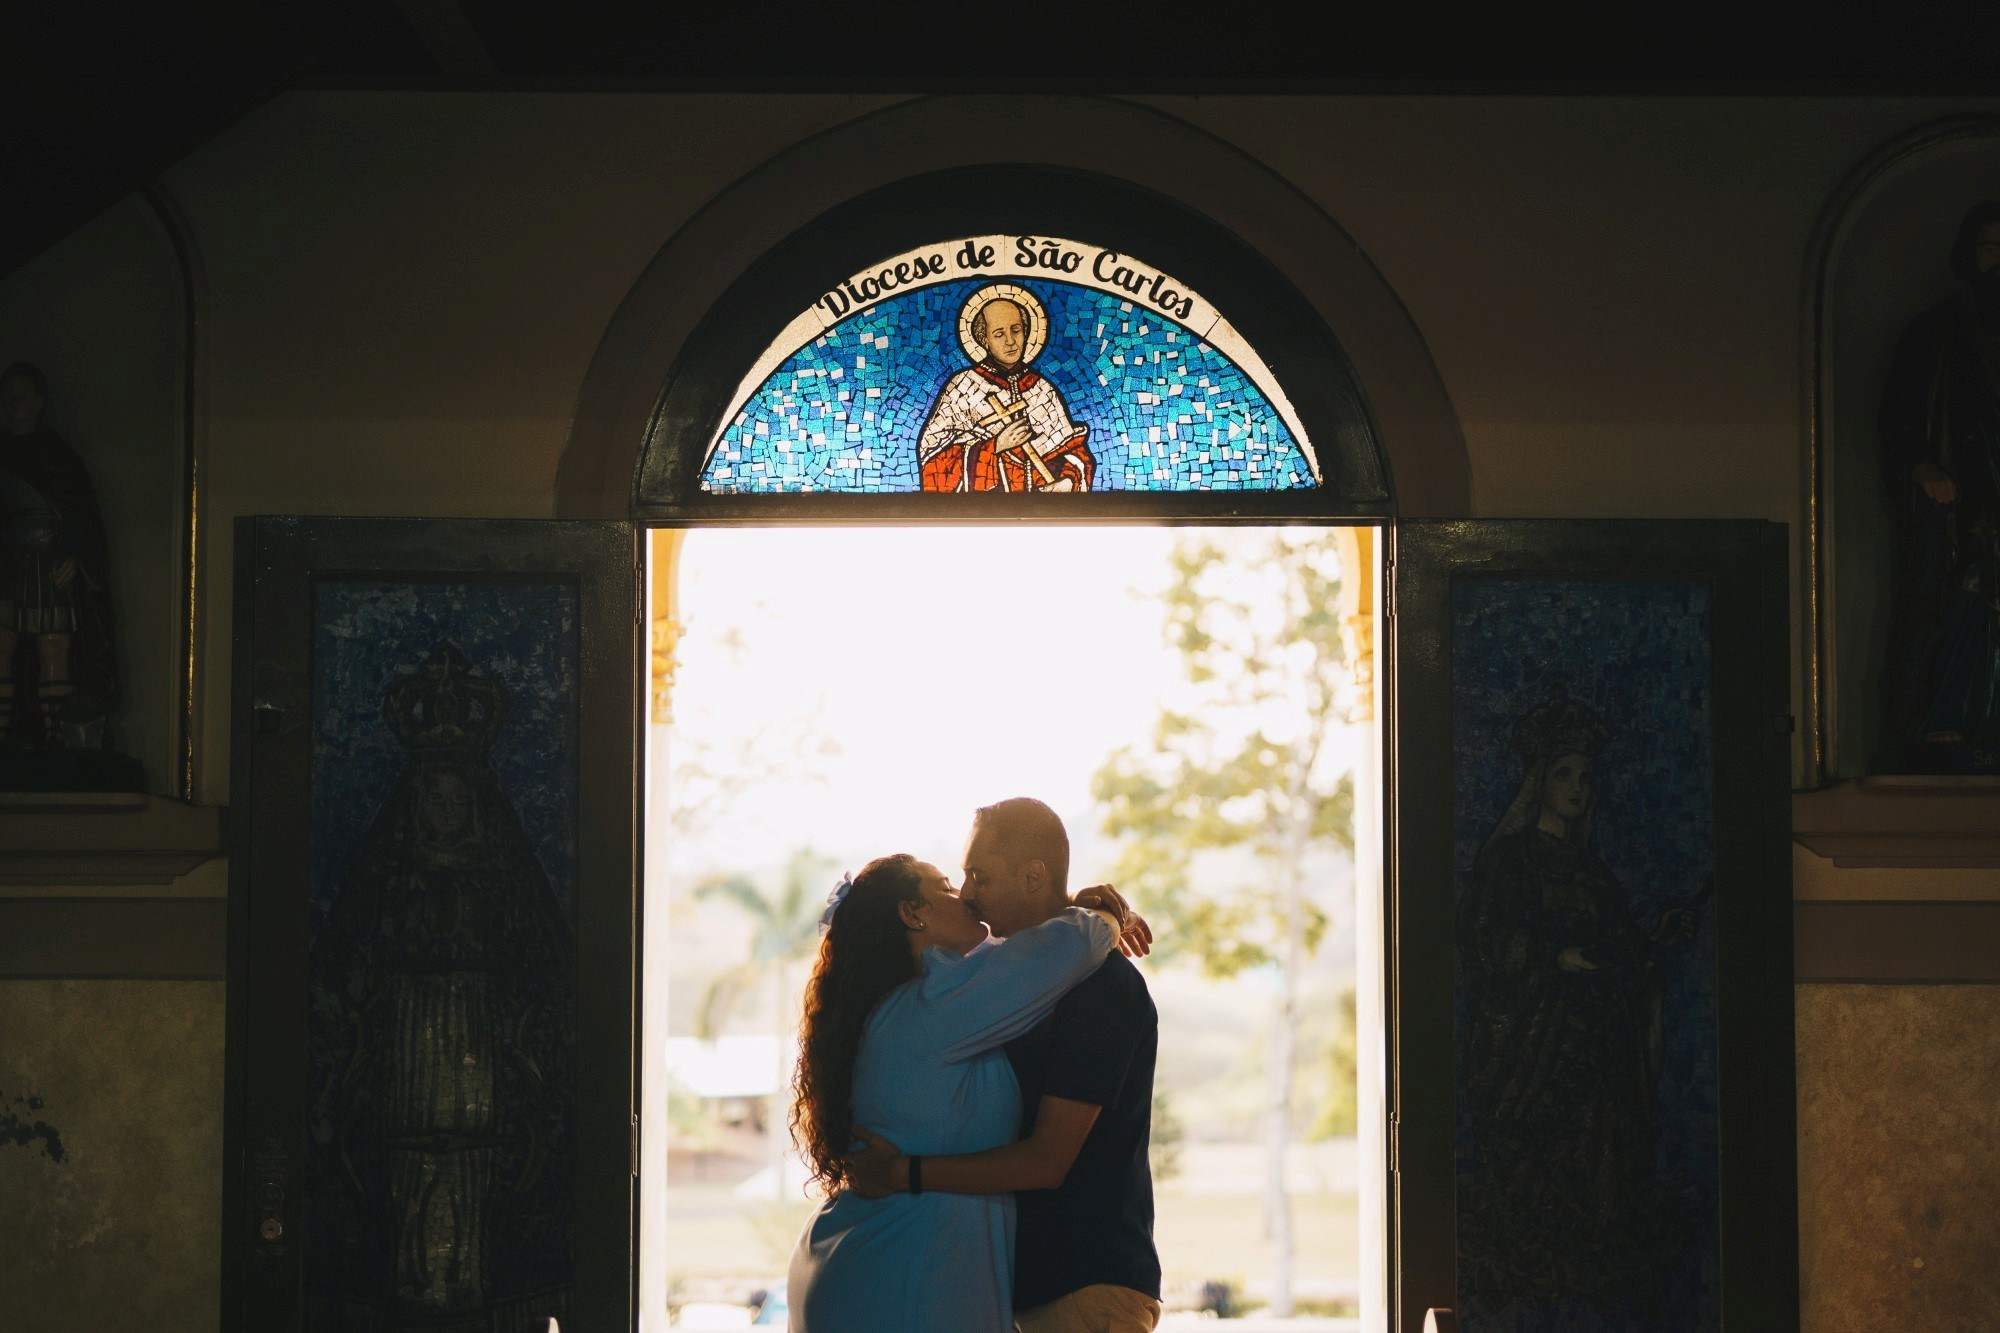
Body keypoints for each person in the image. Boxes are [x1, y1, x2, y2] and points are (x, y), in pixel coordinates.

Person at [785, 852, 1145, 1333]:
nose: (968, 898)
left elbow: (1031, 955)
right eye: (949, 888)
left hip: (871, 1262)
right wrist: (1103, 914)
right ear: (913, 913)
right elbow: (1070, 947)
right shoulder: (940, 1004)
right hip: (900, 1275)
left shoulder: (901, 1009)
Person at [1455, 690, 1696, 1324]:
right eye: (1564, 774)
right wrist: (1551, 962)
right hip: (1537, 1064)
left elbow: (1615, 949)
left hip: (1599, 1062)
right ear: (1539, 781)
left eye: (1586, 777)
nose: (1578, 787)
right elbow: (1487, 942)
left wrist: (1650, 943)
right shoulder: (1508, 862)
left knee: (1607, 1185)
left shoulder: (1592, 871)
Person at [1879, 200, 2000, 771]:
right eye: (1991, 247)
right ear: (1970, 255)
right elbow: (1903, 411)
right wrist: (1922, 464)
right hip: (1963, 500)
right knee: (1968, 588)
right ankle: (1948, 717)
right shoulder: (1938, 328)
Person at [0, 362, 118, 749]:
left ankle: (55, 743)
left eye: (22, 393)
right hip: (8, 564)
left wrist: (73, 553)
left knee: (55, 652)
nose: (14, 400)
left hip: (52, 564)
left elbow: (80, 513)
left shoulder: (59, 457)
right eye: (8, 393)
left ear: (39, 401)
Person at [918, 286, 1095, 493]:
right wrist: (995, 446)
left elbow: (1073, 450)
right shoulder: (963, 387)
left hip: (1043, 516)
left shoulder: (1042, 389)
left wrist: (1068, 481)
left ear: (1027, 332)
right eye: (999, 334)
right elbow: (933, 462)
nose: (1010, 341)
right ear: (984, 340)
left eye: (1016, 330)